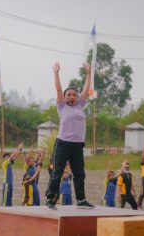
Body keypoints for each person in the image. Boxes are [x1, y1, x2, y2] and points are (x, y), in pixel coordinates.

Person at [45, 62, 94, 210]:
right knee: (57, 172)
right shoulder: (62, 106)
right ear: (64, 97)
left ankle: (81, 199)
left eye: (74, 94)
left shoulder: (80, 105)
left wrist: (88, 73)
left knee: (79, 173)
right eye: (69, 95)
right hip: (63, 143)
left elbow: (86, 89)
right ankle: (51, 200)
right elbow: (59, 89)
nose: (72, 96)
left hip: (78, 145)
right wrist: (56, 72)